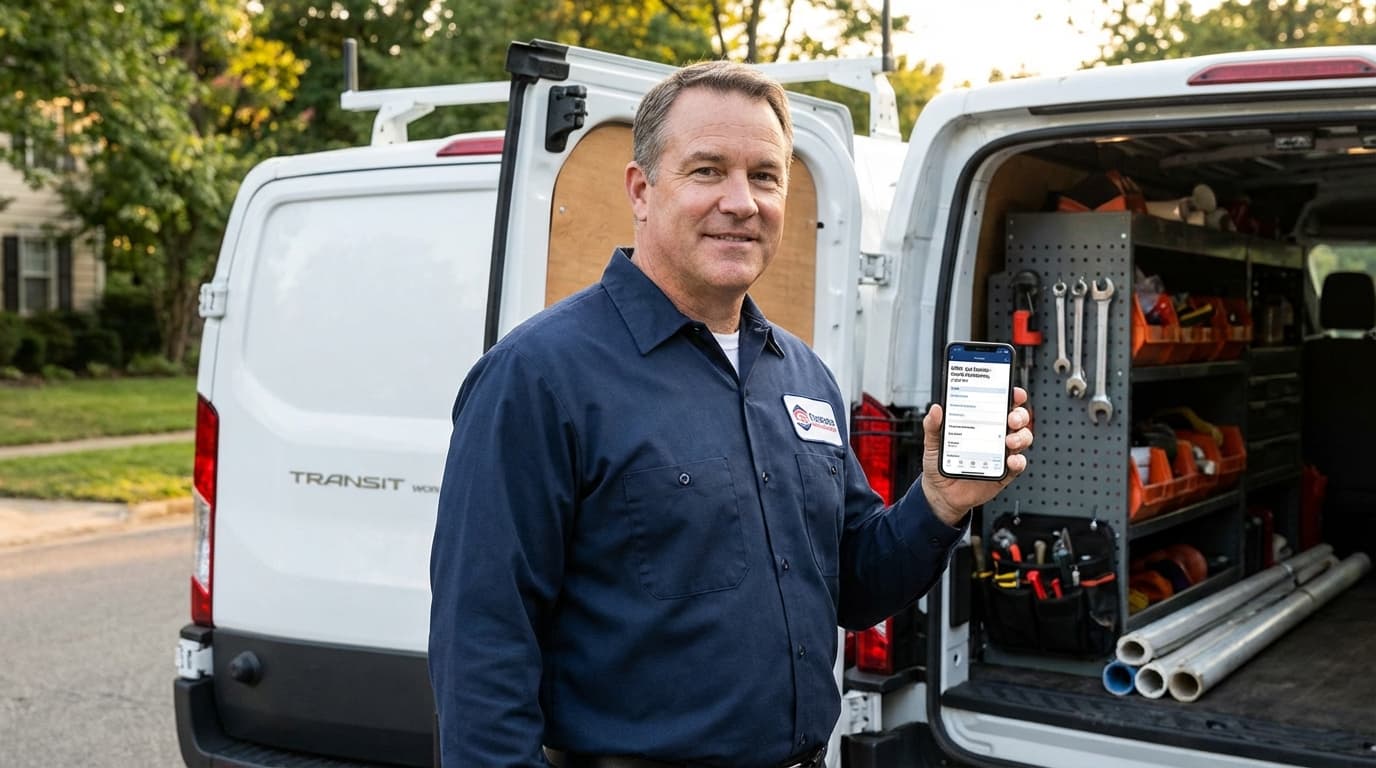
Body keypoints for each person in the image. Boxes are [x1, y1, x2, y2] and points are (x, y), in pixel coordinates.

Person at [429, 60, 1032, 768]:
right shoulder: (538, 377)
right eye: (708, 171)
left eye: (765, 176)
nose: (742, 202)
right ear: (642, 190)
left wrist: (939, 502)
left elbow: (856, 585)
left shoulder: (801, 373)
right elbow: (482, 646)